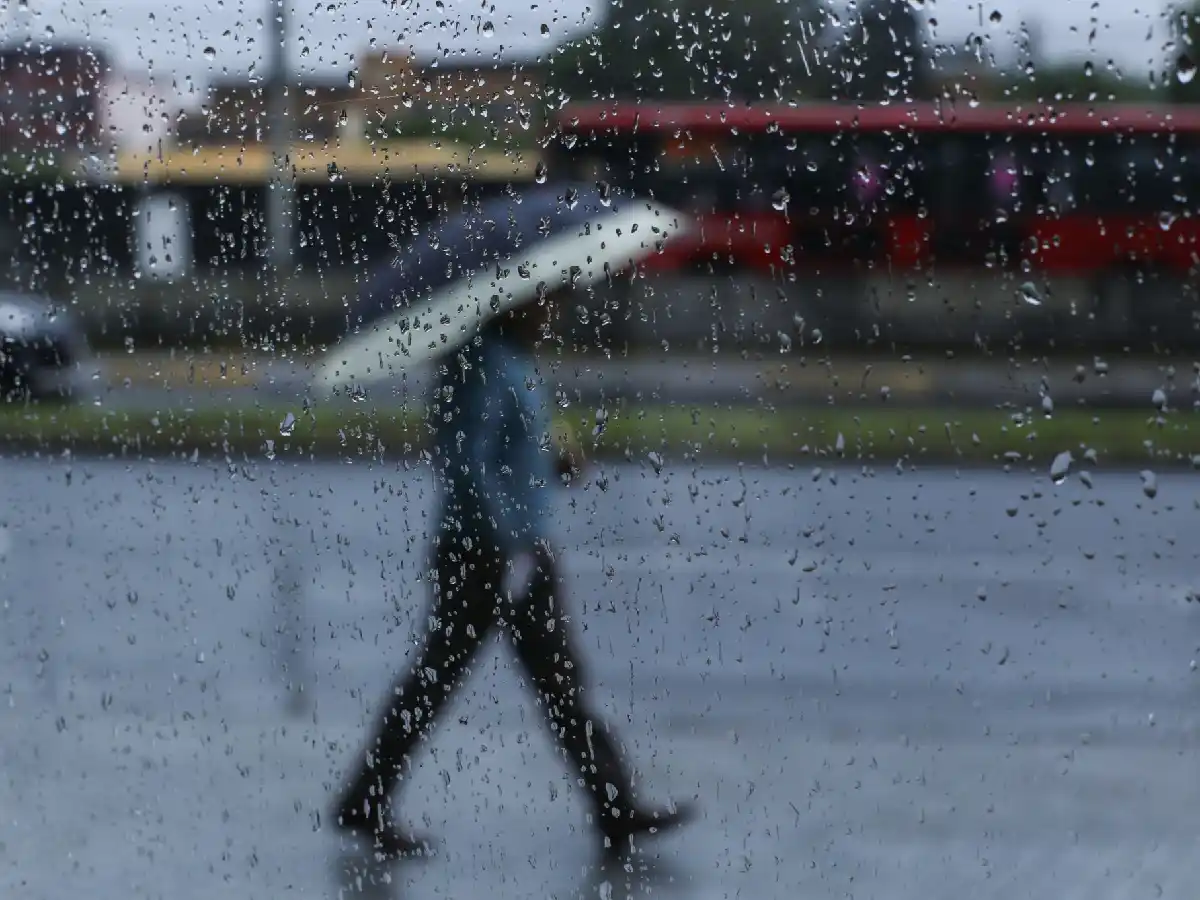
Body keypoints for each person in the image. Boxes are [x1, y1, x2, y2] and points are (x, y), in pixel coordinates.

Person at [329, 189, 696, 863]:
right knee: (451, 681)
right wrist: (509, 543)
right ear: (517, 299)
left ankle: (614, 809)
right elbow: (465, 465)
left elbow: (507, 456)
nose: (556, 308)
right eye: (548, 297)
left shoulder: (515, 363)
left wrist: (554, 462)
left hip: (515, 547)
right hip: (489, 552)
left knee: (549, 683)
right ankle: (367, 800)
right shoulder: (479, 363)